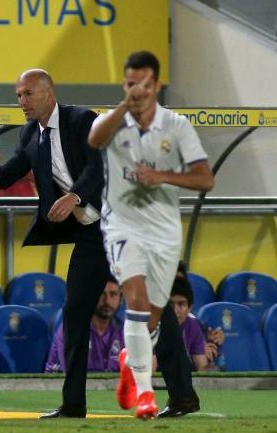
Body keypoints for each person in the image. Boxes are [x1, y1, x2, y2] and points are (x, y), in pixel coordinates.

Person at [0, 68, 202, 419]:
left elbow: (101, 165)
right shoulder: (30, 134)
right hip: (92, 235)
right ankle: (73, 404)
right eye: (18, 94)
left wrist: (76, 196)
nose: (21, 100)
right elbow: (9, 174)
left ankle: (184, 395)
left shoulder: (82, 120)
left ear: (49, 94)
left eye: (27, 94)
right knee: (75, 312)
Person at [87, 50, 214, 419]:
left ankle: (131, 361)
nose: (136, 91)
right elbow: (94, 139)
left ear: (156, 85)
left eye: (143, 84)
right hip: (122, 226)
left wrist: (162, 177)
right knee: (137, 301)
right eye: (129, 83)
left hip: (163, 233)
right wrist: (122, 108)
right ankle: (145, 393)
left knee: (152, 319)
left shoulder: (176, 126)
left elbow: (205, 178)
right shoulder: (113, 122)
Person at [45, 278, 124, 373]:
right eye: (100, 294)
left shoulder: (125, 331)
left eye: (113, 294)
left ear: (121, 298)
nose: (107, 301)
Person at [167, 269, 222, 371]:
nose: (175, 311)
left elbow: (202, 368)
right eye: (170, 304)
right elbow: (151, 372)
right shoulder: (151, 325)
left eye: (181, 304)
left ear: (190, 308)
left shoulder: (192, 325)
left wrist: (213, 369)